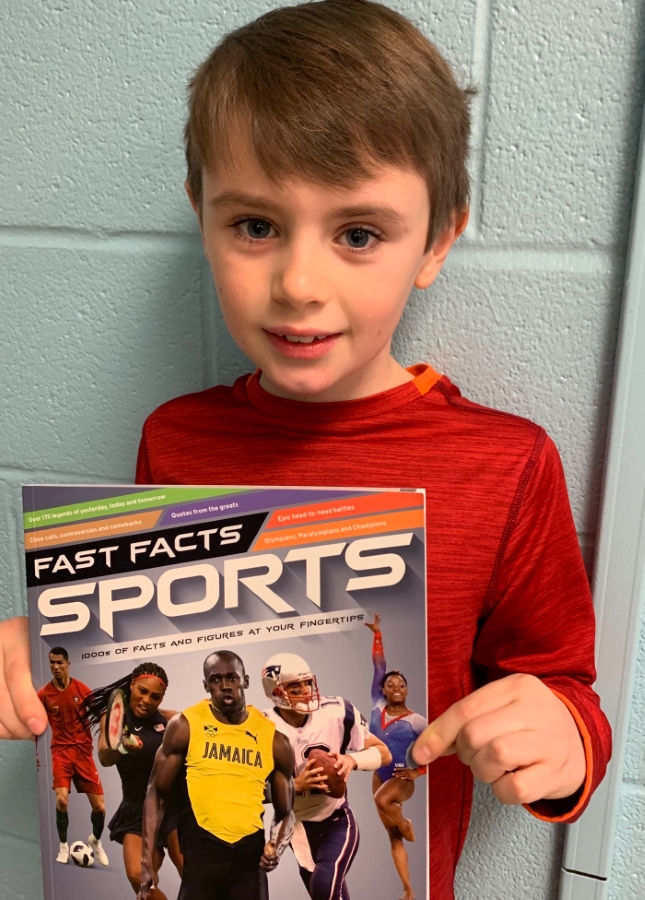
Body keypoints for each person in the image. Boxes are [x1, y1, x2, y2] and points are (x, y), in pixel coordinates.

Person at [0, 2, 612, 897]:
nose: (296, 283)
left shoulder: (504, 463)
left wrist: (564, 742)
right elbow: (147, 660)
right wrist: (50, 651)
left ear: (437, 239)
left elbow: (563, 683)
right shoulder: (175, 438)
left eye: (358, 234)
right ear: (200, 215)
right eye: (254, 226)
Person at [139, 650, 295, 900]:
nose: (224, 686)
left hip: (248, 858)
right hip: (202, 850)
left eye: (232, 678)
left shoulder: (274, 739)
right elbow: (155, 793)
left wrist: (277, 845)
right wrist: (146, 860)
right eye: (215, 679)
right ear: (206, 685)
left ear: (245, 680)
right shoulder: (185, 726)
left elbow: (286, 812)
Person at [261, 651, 391, 900]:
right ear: (275, 691)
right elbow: (249, 790)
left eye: (307, 682)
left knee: (324, 885)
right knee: (329, 893)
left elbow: (383, 753)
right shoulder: (260, 726)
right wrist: (294, 785)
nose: (306, 690)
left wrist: (351, 760)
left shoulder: (336, 711)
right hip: (297, 827)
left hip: (337, 819)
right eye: (295, 686)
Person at [80, 661, 183, 898]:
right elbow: (105, 756)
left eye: (155, 696)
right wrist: (124, 747)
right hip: (138, 810)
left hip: (176, 808)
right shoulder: (115, 718)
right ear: (133, 685)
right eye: (143, 691)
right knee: (140, 878)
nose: (147, 700)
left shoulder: (171, 719)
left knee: (191, 874)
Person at [364, 614, 427, 900]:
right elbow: (379, 665)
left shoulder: (417, 721)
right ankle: (408, 889)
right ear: (383, 690)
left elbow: (432, 752)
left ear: (407, 690)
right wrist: (378, 634)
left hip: (402, 779)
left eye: (401, 685)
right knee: (393, 837)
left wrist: (418, 772)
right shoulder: (377, 707)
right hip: (381, 776)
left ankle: (405, 823)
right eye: (390, 685)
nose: (396, 689)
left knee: (381, 801)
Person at [36, 646, 109, 866]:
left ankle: (95, 841)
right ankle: (63, 847)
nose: (55, 667)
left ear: (68, 664)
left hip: (83, 752)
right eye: (52, 663)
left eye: (59, 662)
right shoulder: (44, 695)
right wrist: (35, 751)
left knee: (100, 808)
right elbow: (34, 724)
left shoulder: (82, 690)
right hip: (60, 752)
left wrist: (104, 740)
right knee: (61, 800)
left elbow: (102, 713)